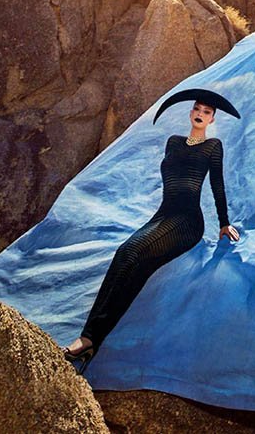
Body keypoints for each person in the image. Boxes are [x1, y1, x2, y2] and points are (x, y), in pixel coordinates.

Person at [63, 96, 240, 373]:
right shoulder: (173, 142)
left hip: (187, 221)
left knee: (134, 253)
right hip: (162, 216)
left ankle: (89, 338)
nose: (200, 114)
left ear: (212, 119)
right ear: (190, 112)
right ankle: (90, 339)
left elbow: (217, 185)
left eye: (206, 112)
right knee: (127, 256)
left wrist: (224, 223)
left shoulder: (213, 146)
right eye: (197, 109)